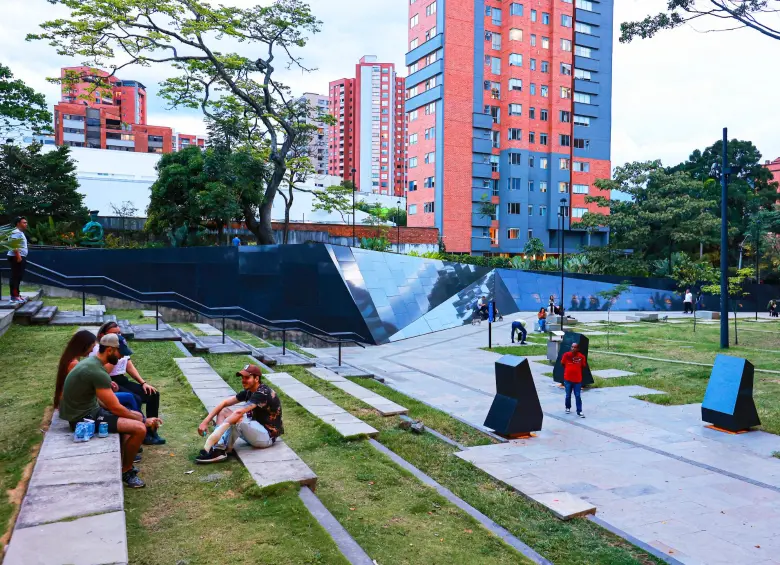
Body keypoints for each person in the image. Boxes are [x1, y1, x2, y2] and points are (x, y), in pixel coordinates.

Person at [59, 334, 161, 488]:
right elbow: (114, 407)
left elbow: (101, 400)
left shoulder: (92, 364)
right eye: (120, 353)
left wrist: (134, 415)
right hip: (83, 419)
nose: (122, 357)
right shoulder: (97, 371)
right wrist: (143, 420)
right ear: (110, 350)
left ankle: (126, 462)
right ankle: (126, 471)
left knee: (133, 417)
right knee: (139, 428)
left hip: (85, 411)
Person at [91, 321, 165, 445]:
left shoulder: (121, 344)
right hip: (109, 382)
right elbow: (103, 372)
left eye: (119, 333)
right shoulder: (101, 350)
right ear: (103, 335)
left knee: (153, 394)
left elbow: (128, 365)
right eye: (114, 333)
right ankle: (142, 432)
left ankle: (152, 430)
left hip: (121, 379)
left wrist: (143, 383)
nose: (118, 335)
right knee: (134, 398)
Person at [195, 364, 283, 464]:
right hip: (255, 431)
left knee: (237, 417)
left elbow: (239, 412)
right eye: (242, 377)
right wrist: (205, 421)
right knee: (224, 411)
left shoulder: (263, 392)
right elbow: (224, 403)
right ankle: (218, 449)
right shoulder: (249, 391)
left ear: (256, 378)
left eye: (247, 377)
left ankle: (216, 448)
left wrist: (215, 435)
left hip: (267, 438)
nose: (243, 380)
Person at [56, 330, 142, 414]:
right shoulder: (75, 364)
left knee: (130, 398)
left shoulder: (75, 361)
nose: (92, 350)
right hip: (80, 405)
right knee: (129, 399)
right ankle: (143, 422)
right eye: (92, 347)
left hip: (83, 400)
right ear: (84, 346)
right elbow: (86, 389)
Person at [561, 342, 587, 418]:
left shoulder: (581, 357)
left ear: (578, 349)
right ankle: (568, 407)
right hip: (568, 379)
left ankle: (579, 411)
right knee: (568, 395)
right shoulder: (566, 355)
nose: (573, 348)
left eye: (575, 347)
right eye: (572, 347)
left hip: (577, 380)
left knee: (578, 396)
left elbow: (583, 366)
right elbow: (562, 364)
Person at [6, 216, 28, 303]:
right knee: (15, 276)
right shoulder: (15, 232)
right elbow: (13, 244)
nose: (26, 224)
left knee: (18, 276)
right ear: (18, 223)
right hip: (16, 257)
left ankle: (17, 295)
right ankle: (14, 296)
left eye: (26, 223)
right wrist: (18, 256)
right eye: (24, 222)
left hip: (20, 256)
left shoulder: (20, 232)